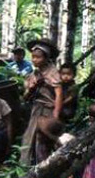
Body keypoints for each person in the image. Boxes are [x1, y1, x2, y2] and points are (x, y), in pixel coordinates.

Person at [20, 38, 63, 166]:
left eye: (38, 57)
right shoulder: (34, 74)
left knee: (44, 138)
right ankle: (26, 165)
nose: (34, 60)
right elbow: (25, 97)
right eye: (33, 57)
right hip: (36, 109)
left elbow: (59, 94)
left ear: (46, 58)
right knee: (29, 136)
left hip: (48, 110)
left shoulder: (53, 72)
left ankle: (48, 166)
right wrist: (31, 89)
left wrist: (56, 115)